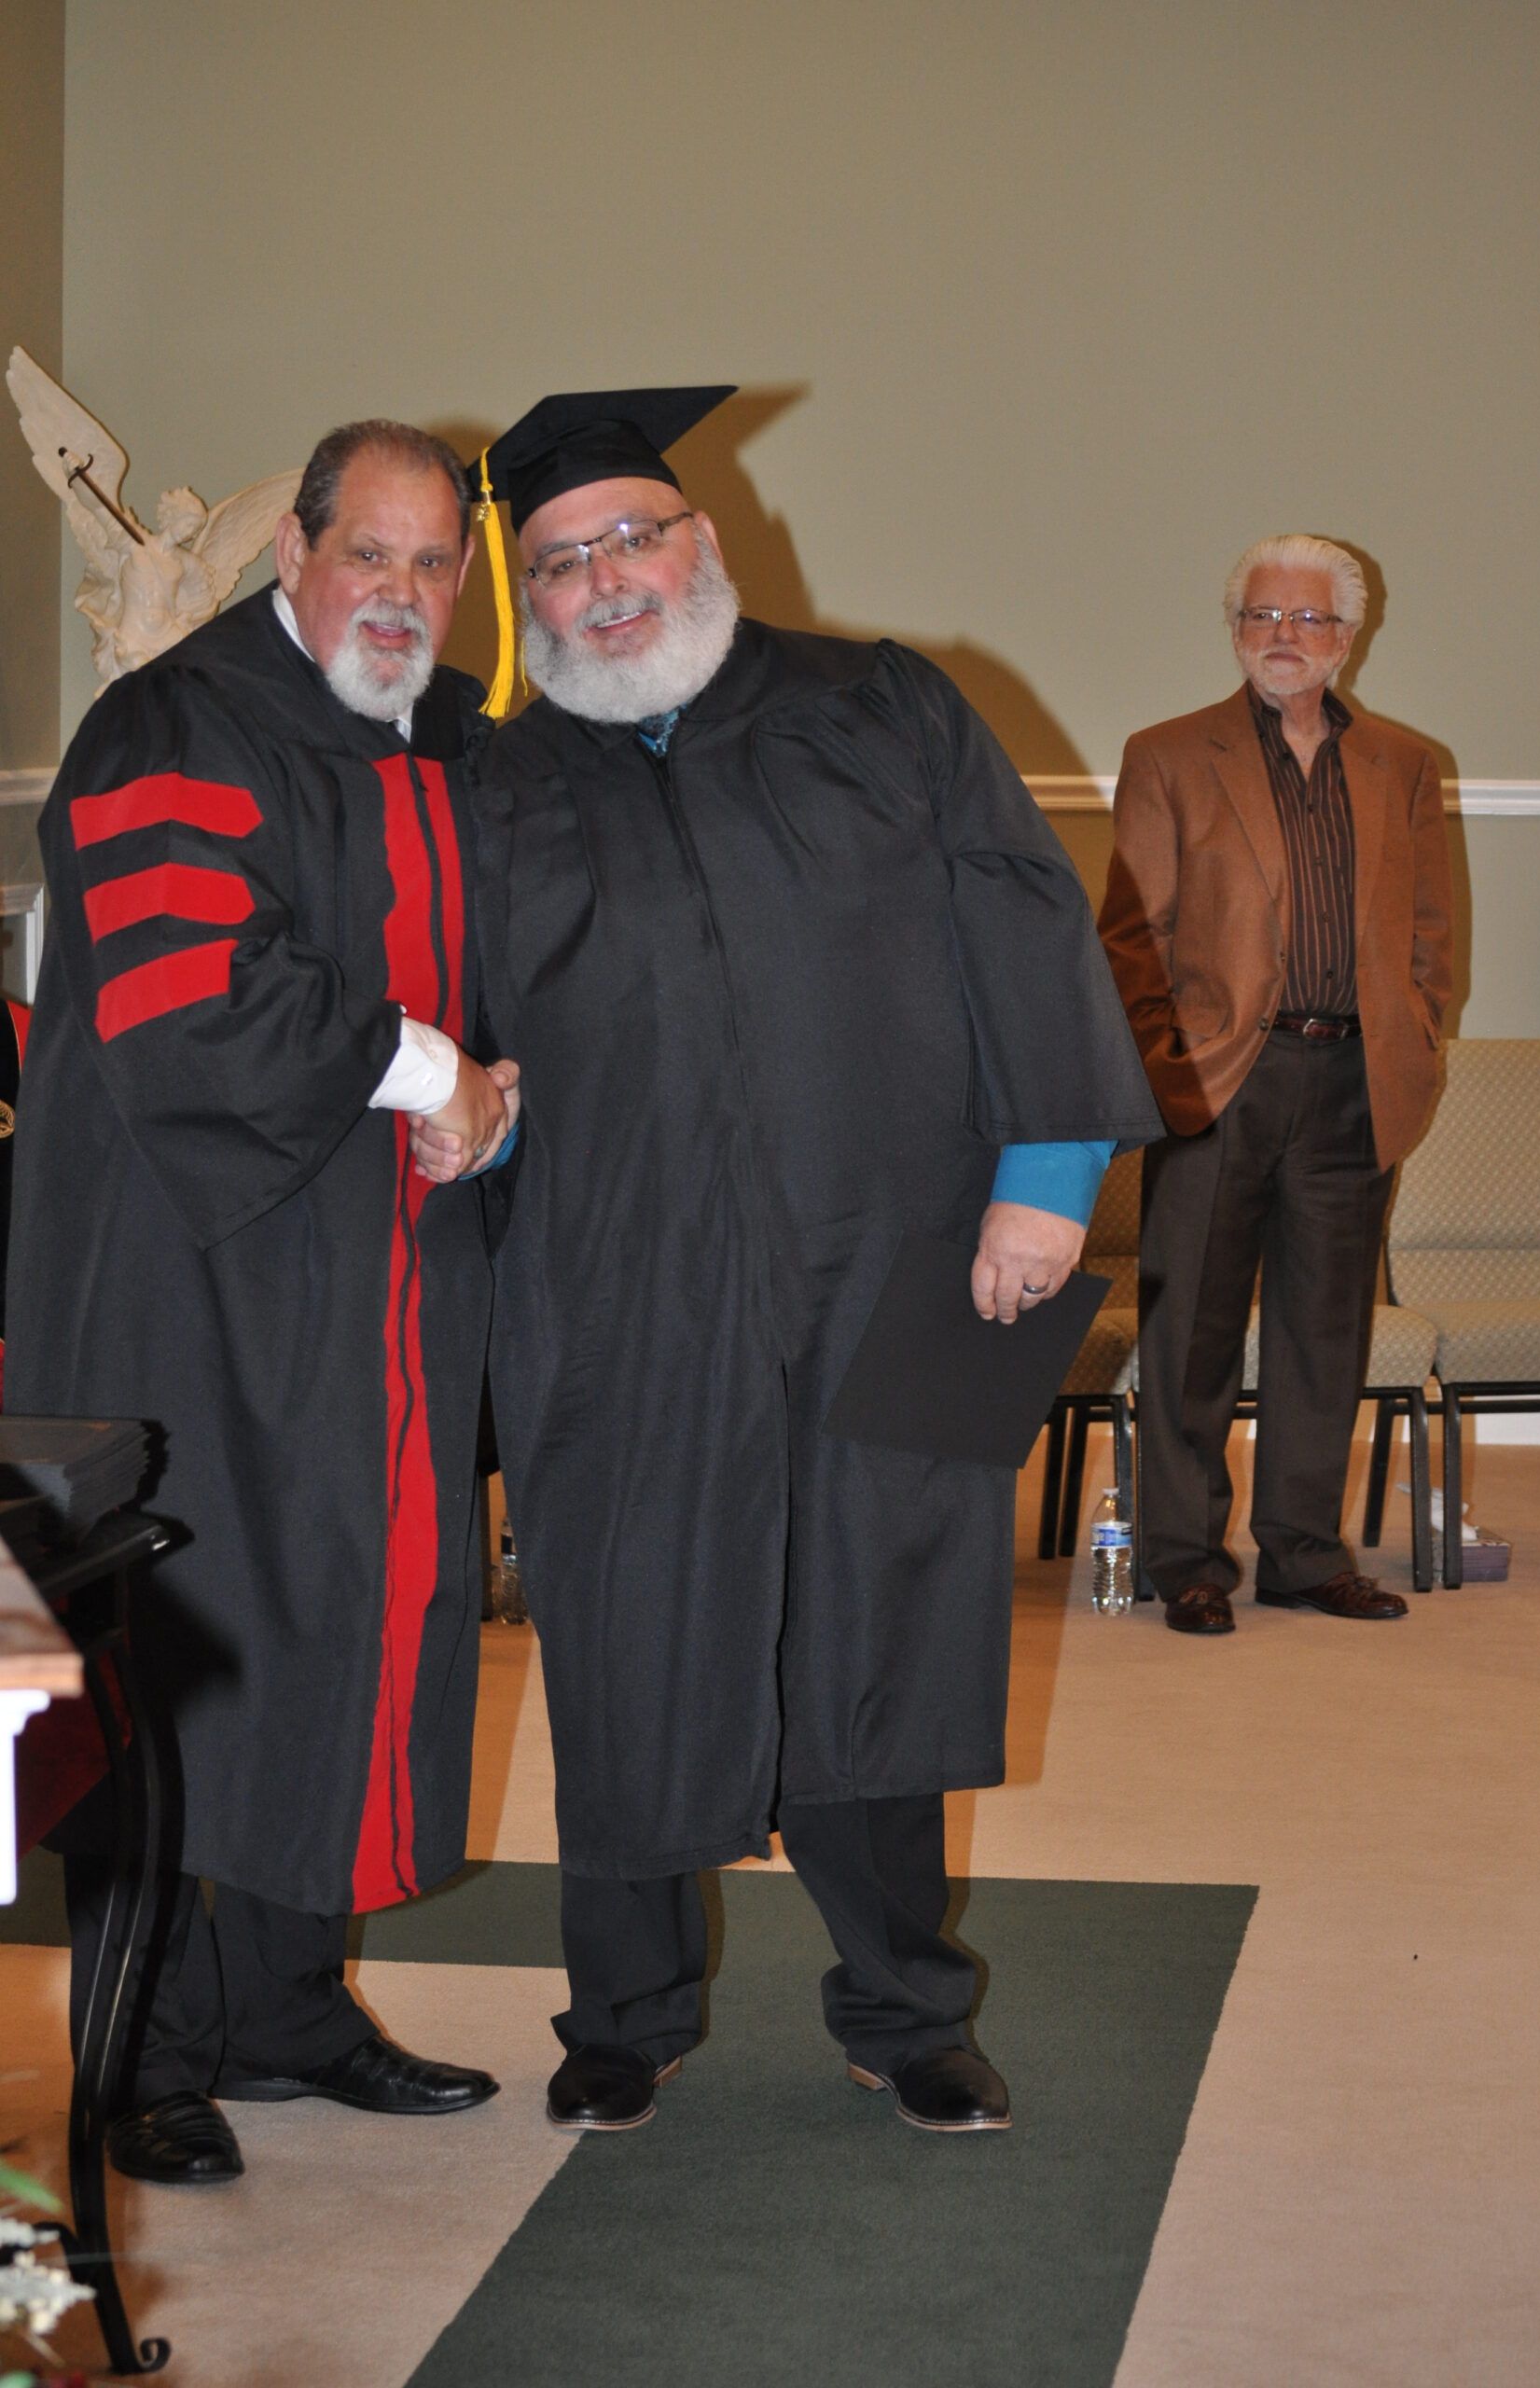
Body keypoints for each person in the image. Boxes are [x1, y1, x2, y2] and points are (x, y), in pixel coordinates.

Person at [417, 387, 1159, 2136]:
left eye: (634, 537)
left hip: (891, 1258)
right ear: (530, 597)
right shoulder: (495, 780)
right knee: (625, 1636)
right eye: (560, 561)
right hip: (618, 1281)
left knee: (880, 1626)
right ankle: (624, 2012)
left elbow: (1022, 921)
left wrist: (1046, 1178)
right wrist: (478, 1122)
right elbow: (461, 1032)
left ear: (704, 542)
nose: (606, 581)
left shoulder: (881, 703)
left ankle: (908, 2009)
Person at [7, 420, 518, 2186]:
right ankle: (142, 2046)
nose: (401, 592)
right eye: (368, 551)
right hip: (185, 1278)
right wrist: (430, 1066)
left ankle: (292, 2005)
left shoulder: (440, 743)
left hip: (377, 1282)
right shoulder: (173, 724)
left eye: (433, 562)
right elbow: (189, 983)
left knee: (343, 1615)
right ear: (292, 553)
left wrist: (500, 1096)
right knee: (181, 1639)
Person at [1097, 533, 1453, 1634]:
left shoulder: (1402, 763)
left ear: (1347, 635)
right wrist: (1168, 1070)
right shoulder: (1167, 753)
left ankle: (1302, 1555)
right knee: (1189, 1333)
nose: (1280, 636)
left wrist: (1414, 1035)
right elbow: (1129, 935)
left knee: (1323, 1334)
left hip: (1352, 1080)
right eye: (1260, 616)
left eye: (1305, 618)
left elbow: (1430, 934)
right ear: (1234, 628)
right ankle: (1185, 1561)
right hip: (1216, 1085)